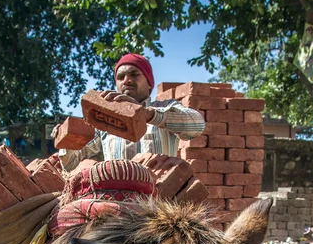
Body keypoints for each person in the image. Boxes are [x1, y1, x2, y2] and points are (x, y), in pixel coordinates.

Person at [53, 53, 205, 171]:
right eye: (120, 77)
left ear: (149, 84)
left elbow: (197, 126)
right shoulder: (105, 121)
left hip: (160, 204)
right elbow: (71, 164)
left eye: (134, 74)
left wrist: (146, 114)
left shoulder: (165, 107)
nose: (126, 80)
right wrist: (65, 139)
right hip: (120, 204)